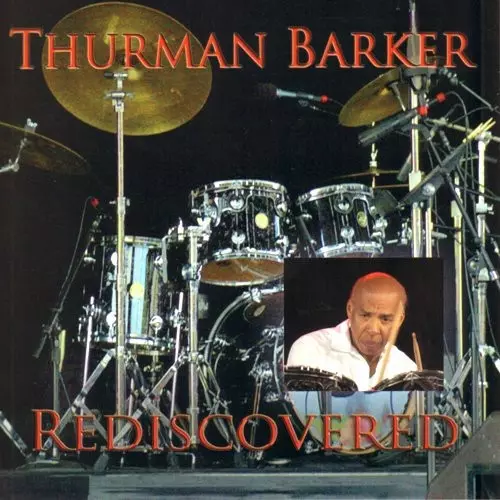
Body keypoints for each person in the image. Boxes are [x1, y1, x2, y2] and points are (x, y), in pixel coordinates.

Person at [286, 272, 418, 391]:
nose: (373, 329)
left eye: (385, 319)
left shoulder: (406, 369)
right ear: (350, 309)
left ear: (399, 320)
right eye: (365, 315)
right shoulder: (309, 349)